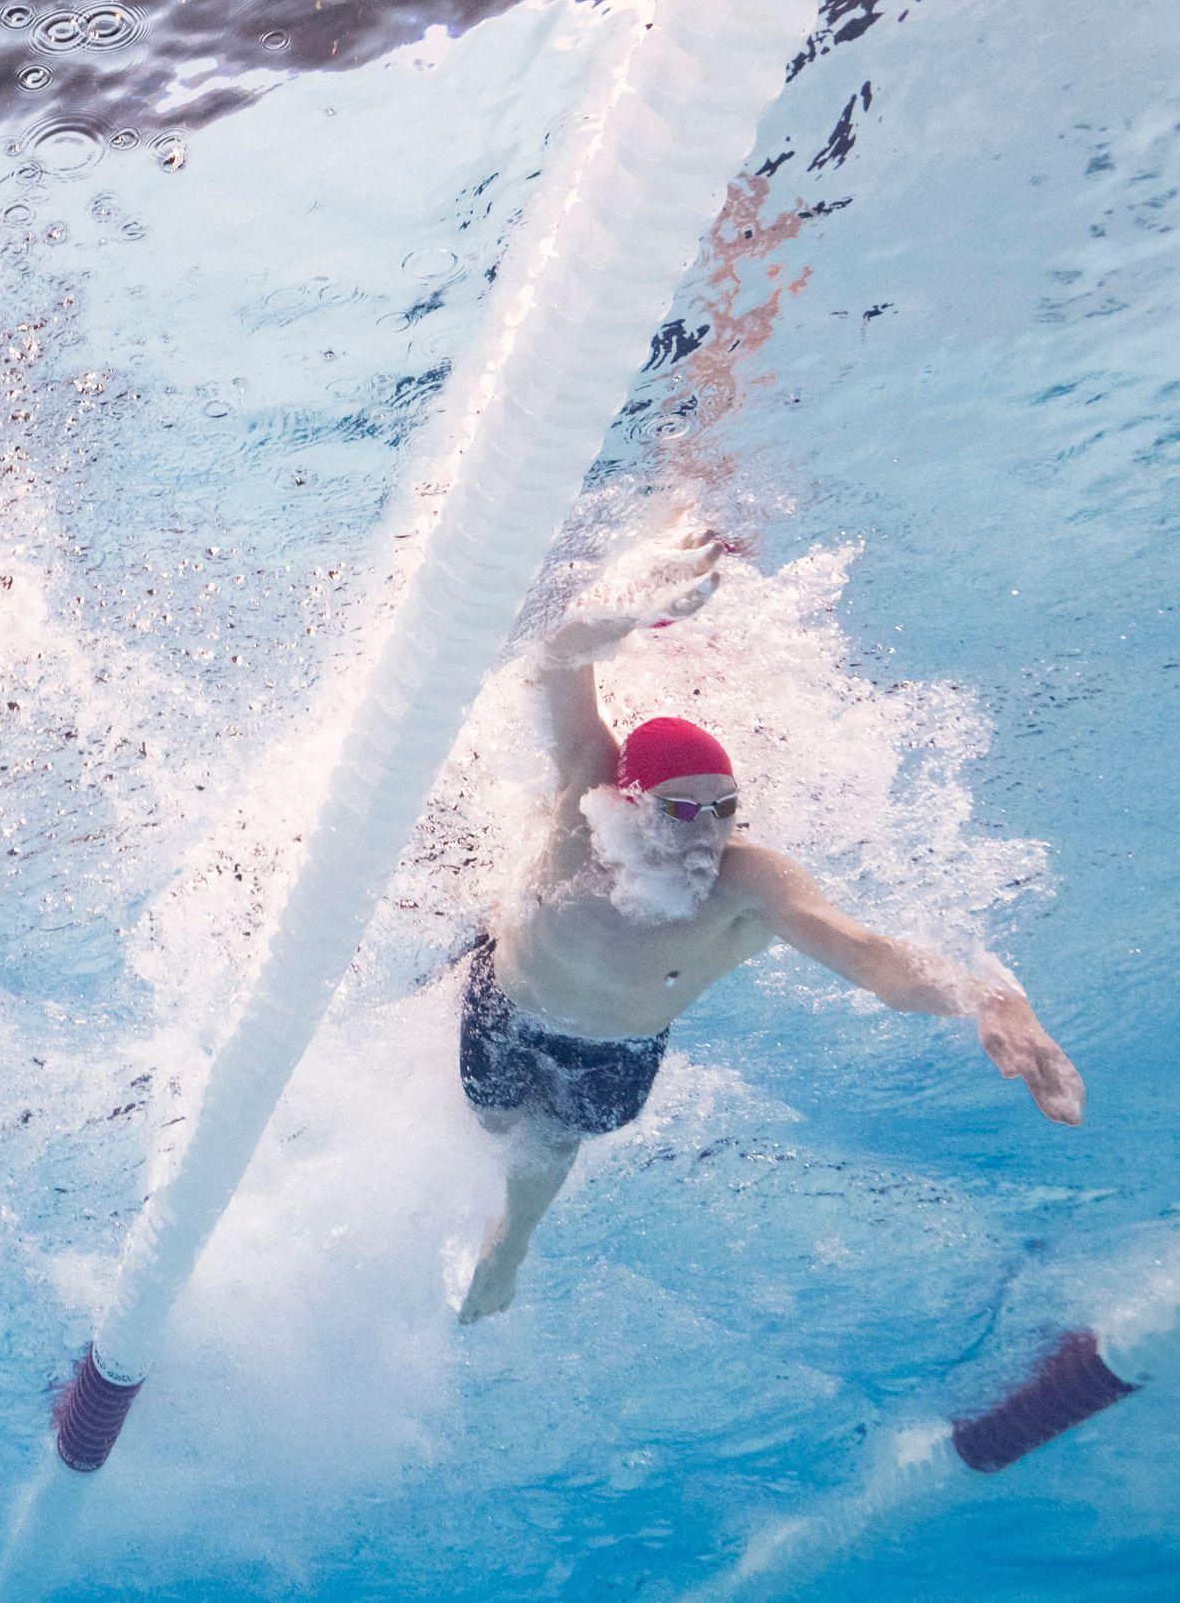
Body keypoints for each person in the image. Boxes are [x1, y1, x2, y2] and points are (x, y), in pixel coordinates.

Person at [457, 541, 1086, 1321]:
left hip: (613, 1051)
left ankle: (509, 1247)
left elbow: (870, 958)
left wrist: (987, 1000)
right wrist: (629, 611)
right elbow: (558, 657)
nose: (707, 830)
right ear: (629, 799)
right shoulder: (586, 793)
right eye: (682, 809)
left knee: (551, 1141)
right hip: (510, 1000)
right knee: (491, 1119)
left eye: (724, 809)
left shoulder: (749, 883)